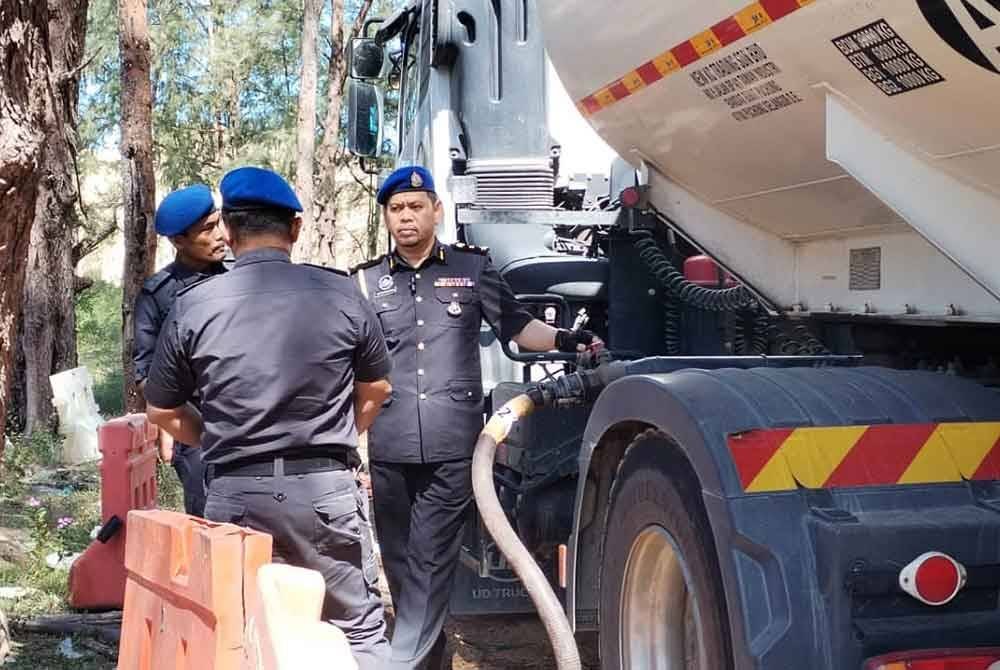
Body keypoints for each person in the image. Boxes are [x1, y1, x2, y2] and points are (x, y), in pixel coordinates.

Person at [351, 166, 601, 670]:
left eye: (415, 206)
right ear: (386, 216)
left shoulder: (471, 268)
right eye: (396, 209)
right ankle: (429, 660)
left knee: (431, 562)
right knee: (400, 569)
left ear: (436, 211)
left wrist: (569, 341)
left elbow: (516, 326)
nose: (406, 217)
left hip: (453, 447)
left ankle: (404, 665)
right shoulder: (366, 280)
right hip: (390, 446)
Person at [143, 166, 391, 669]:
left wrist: (215, 437)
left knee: (237, 630)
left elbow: (162, 409)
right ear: (296, 228)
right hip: (326, 492)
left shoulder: (194, 306)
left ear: (230, 234)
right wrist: (339, 436)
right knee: (358, 629)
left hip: (236, 494)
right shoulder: (343, 293)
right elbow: (377, 388)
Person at [134, 184, 227, 517]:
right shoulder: (158, 296)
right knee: (210, 525)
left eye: (219, 223)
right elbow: (145, 374)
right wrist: (177, 422)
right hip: (197, 430)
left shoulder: (241, 278)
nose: (220, 235)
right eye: (207, 229)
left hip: (251, 426)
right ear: (178, 241)